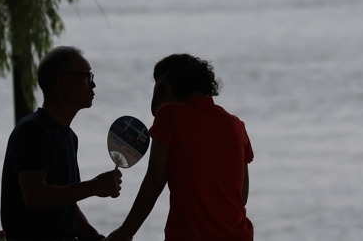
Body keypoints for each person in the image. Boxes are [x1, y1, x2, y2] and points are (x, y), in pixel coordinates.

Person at [107, 54, 254, 241]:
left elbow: (154, 182)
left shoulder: (169, 115)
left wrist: (125, 232)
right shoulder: (237, 126)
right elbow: (241, 197)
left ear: (166, 86)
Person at [1, 46, 123, 240]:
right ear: (62, 82)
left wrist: (96, 238)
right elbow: (35, 197)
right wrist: (94, 187)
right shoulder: (32, 131)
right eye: (86, 76)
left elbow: (66, 204)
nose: (93, 85)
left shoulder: (69, 136)